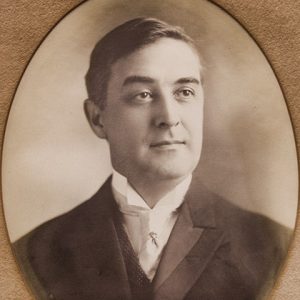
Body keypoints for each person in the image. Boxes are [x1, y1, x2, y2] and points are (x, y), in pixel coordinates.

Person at [13, 17, 291, 300]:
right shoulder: (35, 255)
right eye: (143, 95)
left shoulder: (275, 248)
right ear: (97, 119)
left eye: (185, 92)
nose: (169, 118)